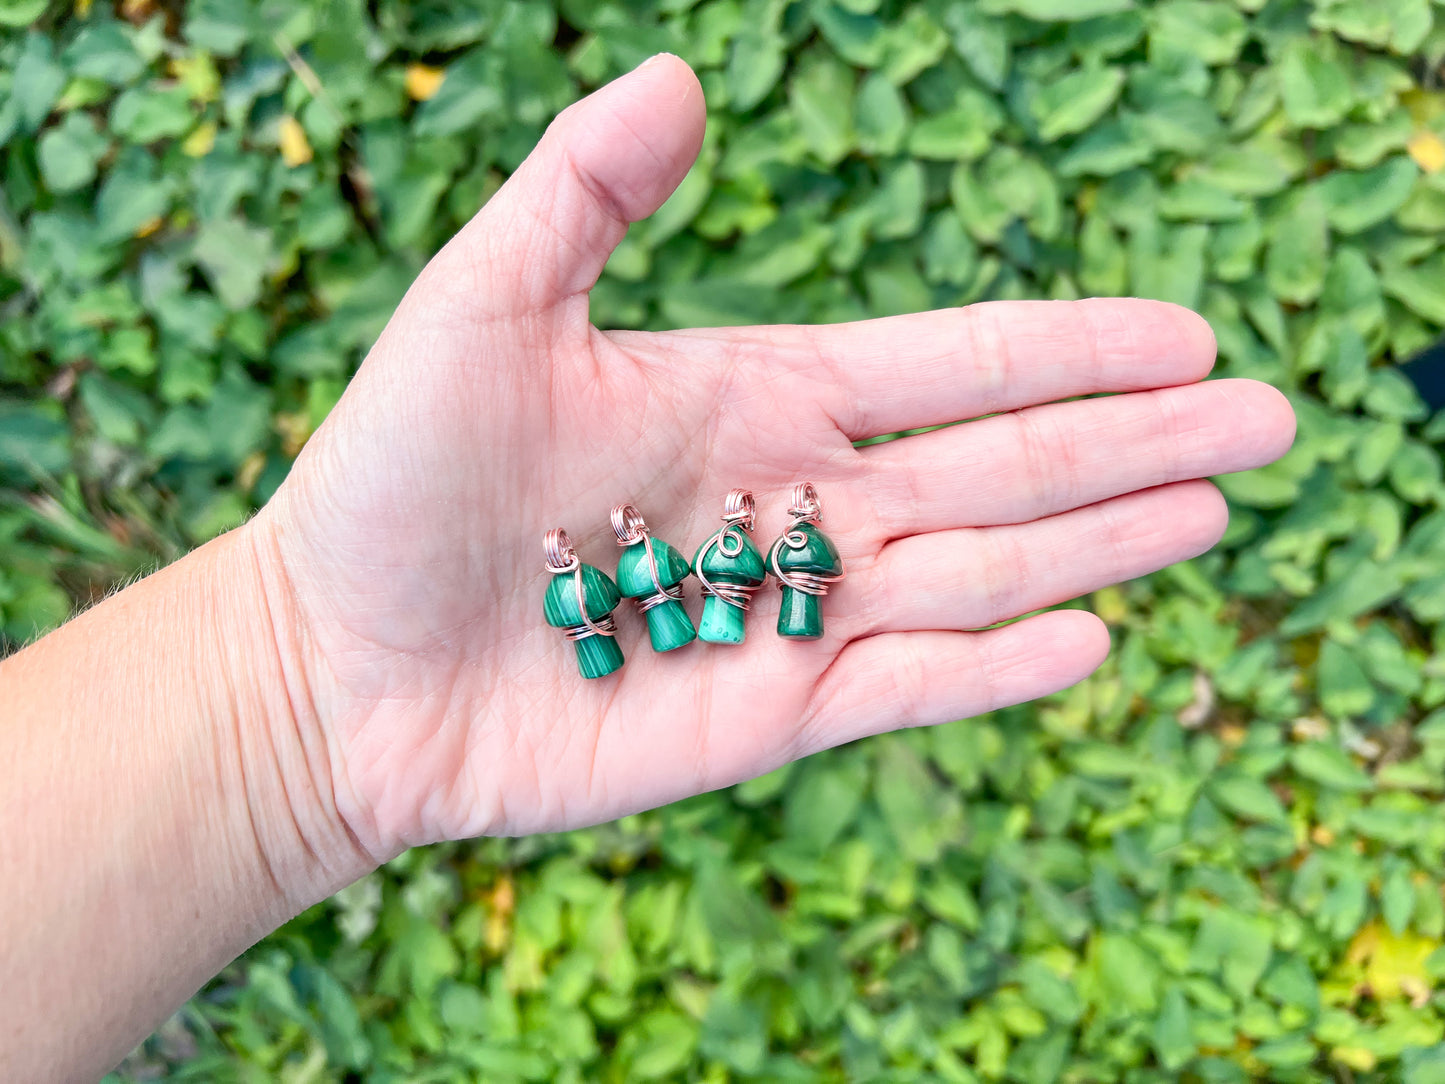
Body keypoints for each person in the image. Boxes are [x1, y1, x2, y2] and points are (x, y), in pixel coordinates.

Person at [0, 55, 1296, 1081]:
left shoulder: (726, 554)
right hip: (657, 605)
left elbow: (729, 570)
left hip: (706, 594)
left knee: (707, 605)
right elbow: (629, 593)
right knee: (664, 615)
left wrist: (293, 690)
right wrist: (306, 668)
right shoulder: (610, 579)